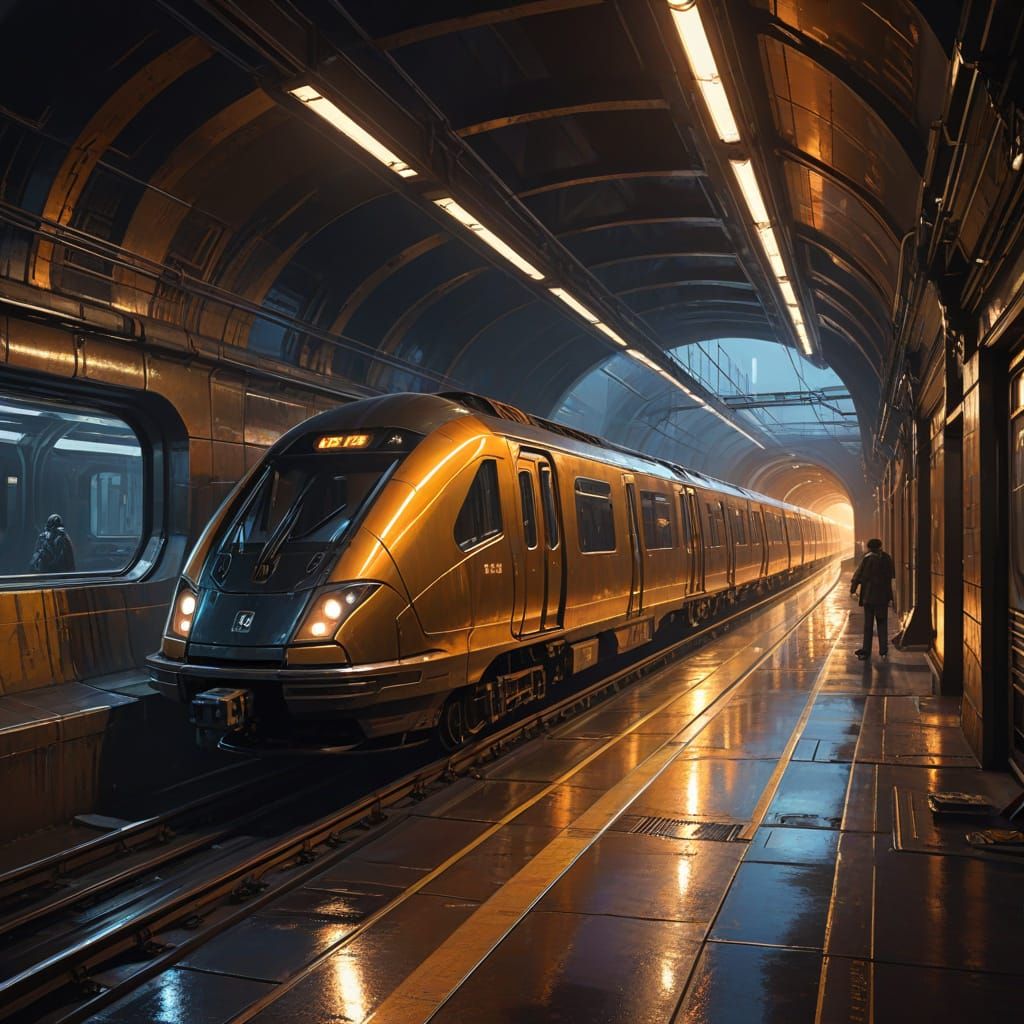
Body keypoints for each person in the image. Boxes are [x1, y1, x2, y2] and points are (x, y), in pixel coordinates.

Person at [850, 537, 894, 660]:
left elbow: (859, 575)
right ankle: (883, 650)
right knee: (882, 623)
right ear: (880, 546)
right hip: (883, 597)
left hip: (869, 597)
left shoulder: (868, 558)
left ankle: (866, 650)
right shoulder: (887, 558)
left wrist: (853, 588)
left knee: (868, 625)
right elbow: (891, 576)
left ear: (869, 548)